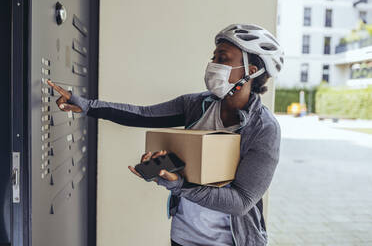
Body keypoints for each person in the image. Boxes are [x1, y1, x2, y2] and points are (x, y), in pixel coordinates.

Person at [48, 23, 284, 246]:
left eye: (222, 59)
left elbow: (241, 201)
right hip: (184, 235)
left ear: (251, 71)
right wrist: (87, 106)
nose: (213, 64)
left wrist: (180, 186)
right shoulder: (196, 105)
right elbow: (142, 114)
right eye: (213, 58)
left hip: (232, 239)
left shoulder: (264, 129)